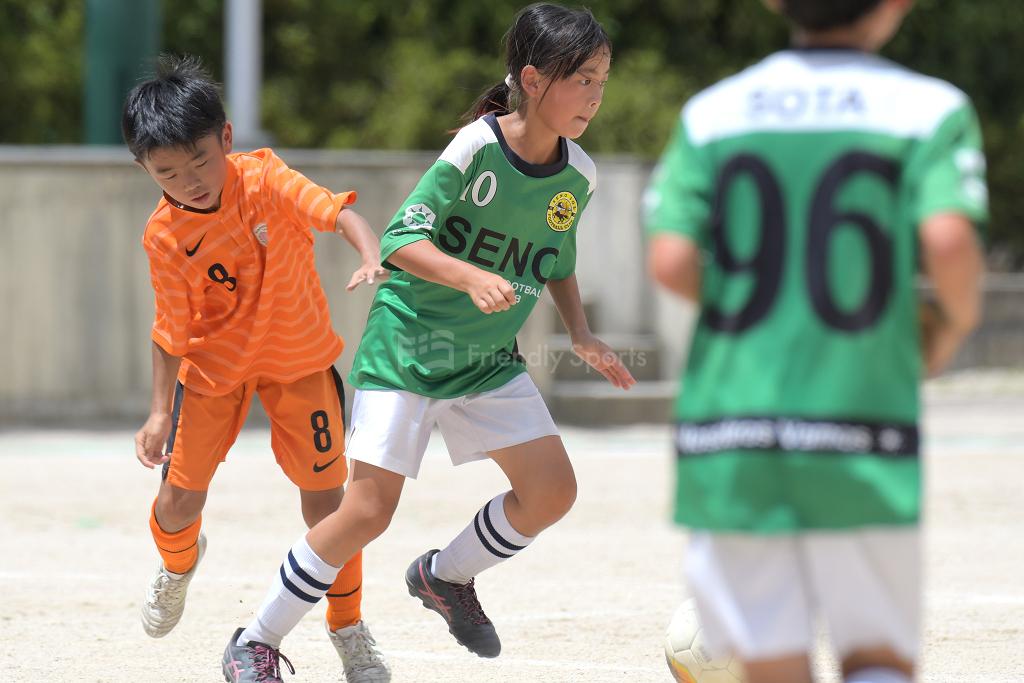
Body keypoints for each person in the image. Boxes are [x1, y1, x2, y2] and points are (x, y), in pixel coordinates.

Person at [221, 3, 634, 680]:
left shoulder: (578, 175)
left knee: (552, 491)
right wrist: (470, 276)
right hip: (409, 349)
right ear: (533, 79)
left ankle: (445, 576)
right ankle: (255, 640)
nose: (595, 95)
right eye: (581, 79)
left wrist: (581, 331)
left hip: (485, 360)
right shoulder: (477, 147)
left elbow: (557, 257)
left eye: (601, 80)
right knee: (366, 512)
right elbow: (399, 239)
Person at [645, 1, 987, 682]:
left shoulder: (712, 114)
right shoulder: (928, 109)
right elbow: (949, 243)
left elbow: (672, 260)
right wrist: (951, 325)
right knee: (876, 658)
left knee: (773, 666)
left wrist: (763, 313)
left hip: (733, 430)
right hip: (858, 424)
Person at [123, 54, 391, 683]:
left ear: (226, 138)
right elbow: (170, 330)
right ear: (145, 170)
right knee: (177, 504)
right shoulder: (163, 235)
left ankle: (348, 626)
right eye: (167, 172)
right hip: (214, 372)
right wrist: (159, 412)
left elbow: (337, 212)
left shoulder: (267, 178)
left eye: (200, 161)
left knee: (330, 508)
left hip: (299, 362)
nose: (189, 181)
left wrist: (369, 253)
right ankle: (178, 567)